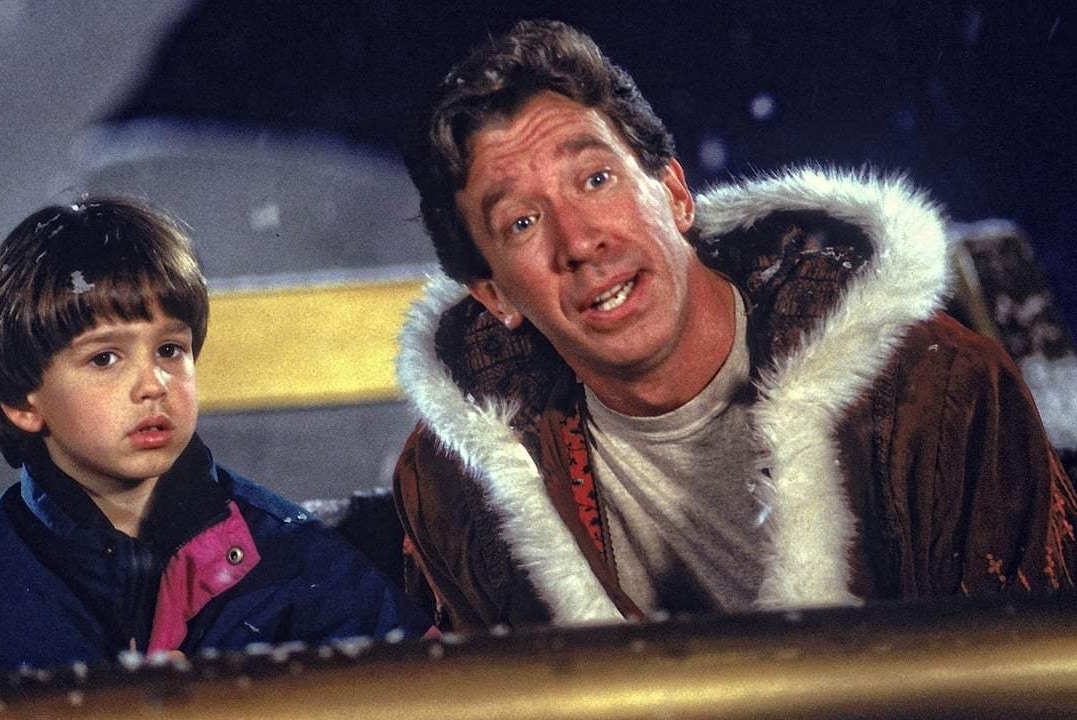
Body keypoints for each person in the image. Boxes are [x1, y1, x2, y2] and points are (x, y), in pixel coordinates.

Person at [393, 19, 1077, 631]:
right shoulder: (460, 489)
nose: (579, 242)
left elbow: (1022, 681)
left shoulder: (936, 395)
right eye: (522, 222)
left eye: (596, 180)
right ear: (494, 295)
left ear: (675, 193)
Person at [0, 198, 430, 681]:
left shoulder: (295, 559)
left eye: (170, 350)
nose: (154, 384)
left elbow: (428, 697)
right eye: (105, 358)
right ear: (22, 402)